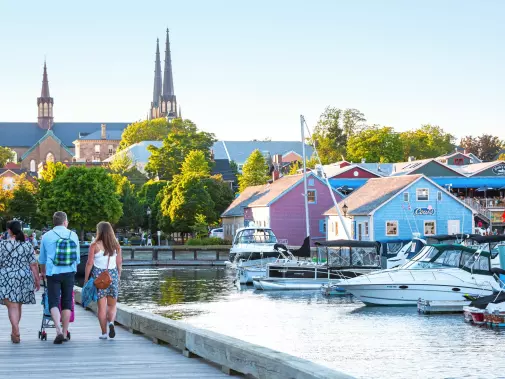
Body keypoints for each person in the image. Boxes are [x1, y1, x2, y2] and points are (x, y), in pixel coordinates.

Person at [39, 211, 80, 344]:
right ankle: (65, 331)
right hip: (69, 272)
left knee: (53, 302)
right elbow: (77, 259)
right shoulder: (73, 235)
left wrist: (43, 273)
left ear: (54, 222)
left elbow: (42, 259)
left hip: (53, 272)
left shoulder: (46, 236)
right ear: (65, 221)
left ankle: (57, 330)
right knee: (67, 302)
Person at [0, 220, 40, 343]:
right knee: (18, 305)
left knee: (12, 306)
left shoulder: (2, 245)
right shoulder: (27, 245)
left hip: (7, 276)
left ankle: (15, 330)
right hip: (23, 276)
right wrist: (37, 280)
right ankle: (15, 331)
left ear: (9, 230)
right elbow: (33, 264)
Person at [84, 221, 122, 340]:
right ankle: (111, 322)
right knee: (112, 305)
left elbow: (89, 263)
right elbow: (119, 263)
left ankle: (104, 333)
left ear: (98, 231)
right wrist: (118, 276)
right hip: (113, 277)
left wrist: (86, 279)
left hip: (99, 279)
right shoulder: (116, 245)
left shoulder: (94, 245)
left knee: (101, 308)